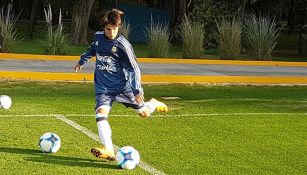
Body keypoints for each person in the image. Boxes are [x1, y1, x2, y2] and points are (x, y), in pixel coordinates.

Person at [74, 9, 168, 161]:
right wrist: (82, 61)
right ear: (104, 27)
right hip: (103, 88)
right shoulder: (98, 37)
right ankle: (109, 150)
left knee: (144, 113)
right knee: (100, 114)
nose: (111, 32)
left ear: (119, 27)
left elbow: (134, 68)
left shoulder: (123, 45)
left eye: (114, 29)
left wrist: (137, 90)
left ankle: (153, 104)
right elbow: (93, 49)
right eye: (108, 29)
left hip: (122, 88)